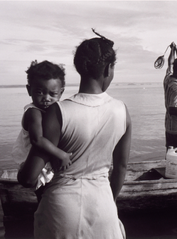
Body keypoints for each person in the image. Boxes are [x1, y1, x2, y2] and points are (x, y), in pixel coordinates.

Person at [17, 29, 132, 239]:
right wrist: (110, 202)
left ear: (79, 67)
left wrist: (21, 173)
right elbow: (121, 168)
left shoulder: (58, 112)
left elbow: (29, 178)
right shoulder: (122, 111)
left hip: (61, 211)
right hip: (104, 206)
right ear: (108, 68)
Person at [12, 60, 72, 192]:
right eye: (39, 92)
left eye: (52, 94)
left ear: (61, 92)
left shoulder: (53, 111)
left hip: (44, 161)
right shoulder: (33, 112)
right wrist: (61, 154)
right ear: (29, 90)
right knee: (40, 191)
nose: (46, 98)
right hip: (32, 161)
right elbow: (37, 140)